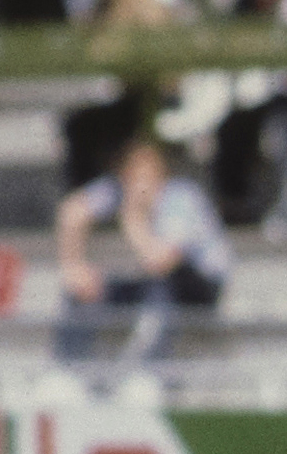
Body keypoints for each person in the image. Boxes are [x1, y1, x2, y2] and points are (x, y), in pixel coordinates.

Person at [56, 131, 232, 362]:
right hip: (151, 280)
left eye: (146, 174)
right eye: (132, 175)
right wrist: (74, 267)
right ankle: (70, 371)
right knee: (81, 289)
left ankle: (150, 371)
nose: (140, 182)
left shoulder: (181, 197)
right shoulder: (117, 189)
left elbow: (163, 261)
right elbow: (72, 212)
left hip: (200, 285)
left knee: (163, 287)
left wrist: (133, 219)